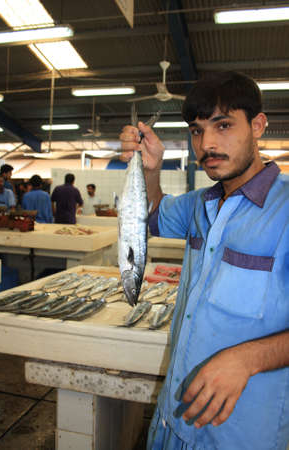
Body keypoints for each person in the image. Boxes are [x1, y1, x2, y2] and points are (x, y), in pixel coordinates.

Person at [120, 71, 289, 450]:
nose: (207, 143)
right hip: (171, 422)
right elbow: (155, 214)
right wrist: (150, 169)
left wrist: (248, 359)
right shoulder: (201, 203)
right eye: (197, 130)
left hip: (238, 434)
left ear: (258, 125)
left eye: (223, 125)